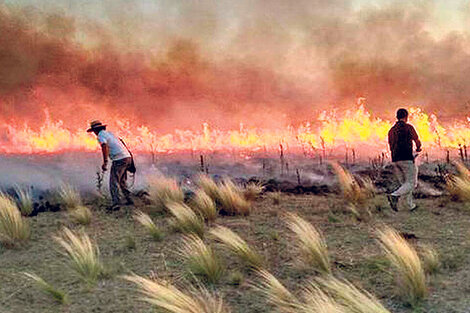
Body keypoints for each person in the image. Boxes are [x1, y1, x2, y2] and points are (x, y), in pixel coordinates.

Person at [87, 120, 133, 210]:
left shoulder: (100, 135)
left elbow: (104, 146)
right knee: (122, 181)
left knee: (113, 182)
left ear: (96, 130)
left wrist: (105, 162)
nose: (94, 133)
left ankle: (116, 203)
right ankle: (130, 199)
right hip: (127, 157)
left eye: (94, 131)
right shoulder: (110, 134)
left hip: (119, 159)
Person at [387, 108, 422, 212]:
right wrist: (418, 148)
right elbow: (417, 140)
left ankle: (410, 206)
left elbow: (390, 145)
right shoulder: (408, 127)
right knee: (412, 183)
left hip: (395, 159)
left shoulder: (391, 130)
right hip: (406, 158)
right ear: (406, 117)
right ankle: (394, 196)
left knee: (405, 184)